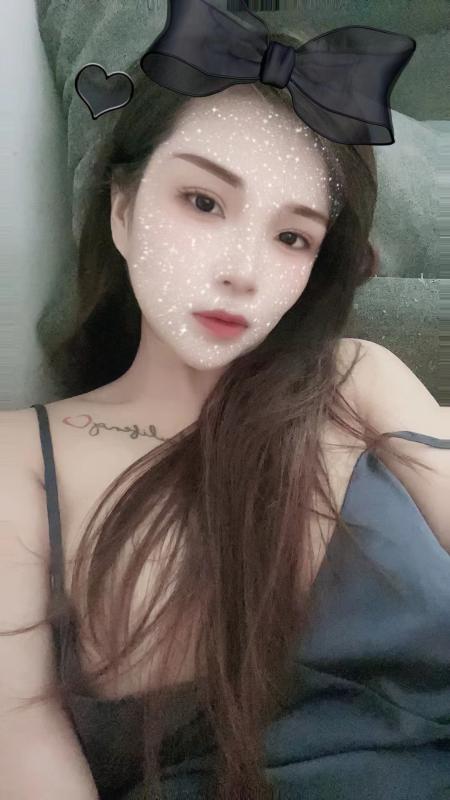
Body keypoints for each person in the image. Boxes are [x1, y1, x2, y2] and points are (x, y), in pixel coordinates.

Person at [1, 16, 449, 800]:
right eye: (204, 201)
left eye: (293, 237)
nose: (244, 271)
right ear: (121, 209)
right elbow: (18, 725)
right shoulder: (18, 463)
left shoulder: (356, 377)